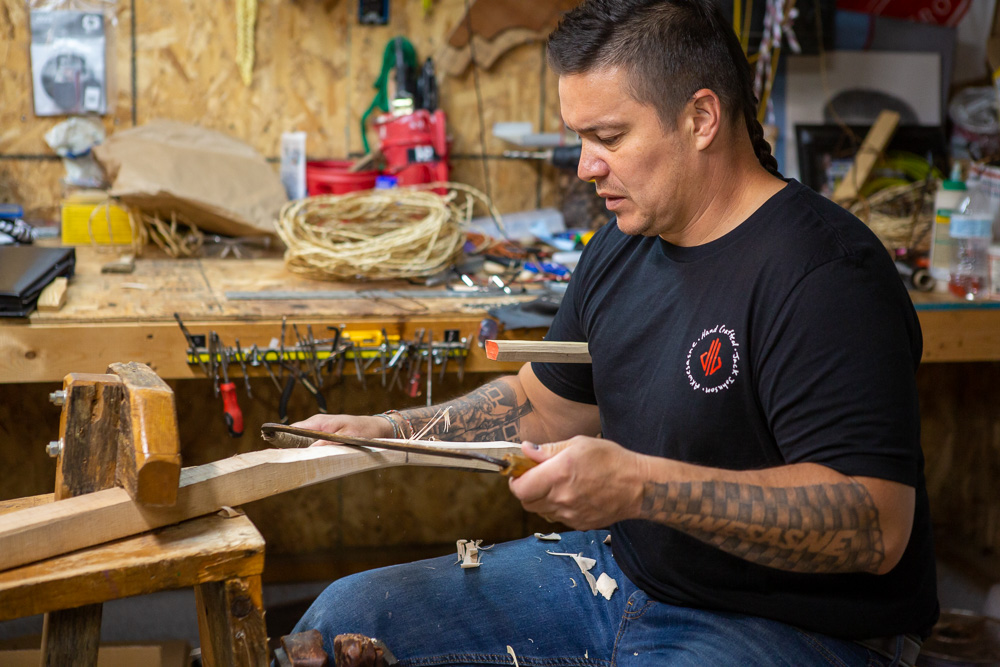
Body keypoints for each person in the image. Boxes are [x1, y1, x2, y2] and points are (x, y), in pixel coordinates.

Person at [288, 0, 939, 664]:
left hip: (787, 624)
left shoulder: (826, 275)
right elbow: (542, 403)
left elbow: (875, 525)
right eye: (578, 137)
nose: (585, 166)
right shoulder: (626, 242)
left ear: (701, 118)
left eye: (609, 136)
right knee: (344, 618)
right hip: (622, 575)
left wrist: (639, 487)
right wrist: (394, 432)